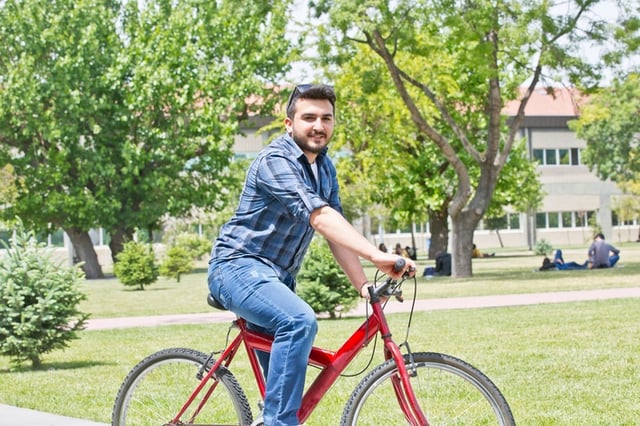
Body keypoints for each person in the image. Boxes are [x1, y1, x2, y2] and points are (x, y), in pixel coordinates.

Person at [207, 84, 415, 426]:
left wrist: (363, 285)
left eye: (326, 118)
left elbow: (335, 231)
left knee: (282, 381)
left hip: (276, 279)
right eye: (308, 117)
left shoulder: (325, 168)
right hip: (237, 268)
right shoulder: (275, 161)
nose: (318, 125)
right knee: (298, 321)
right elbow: (318, 216)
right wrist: (378, 256)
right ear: (289, 124)